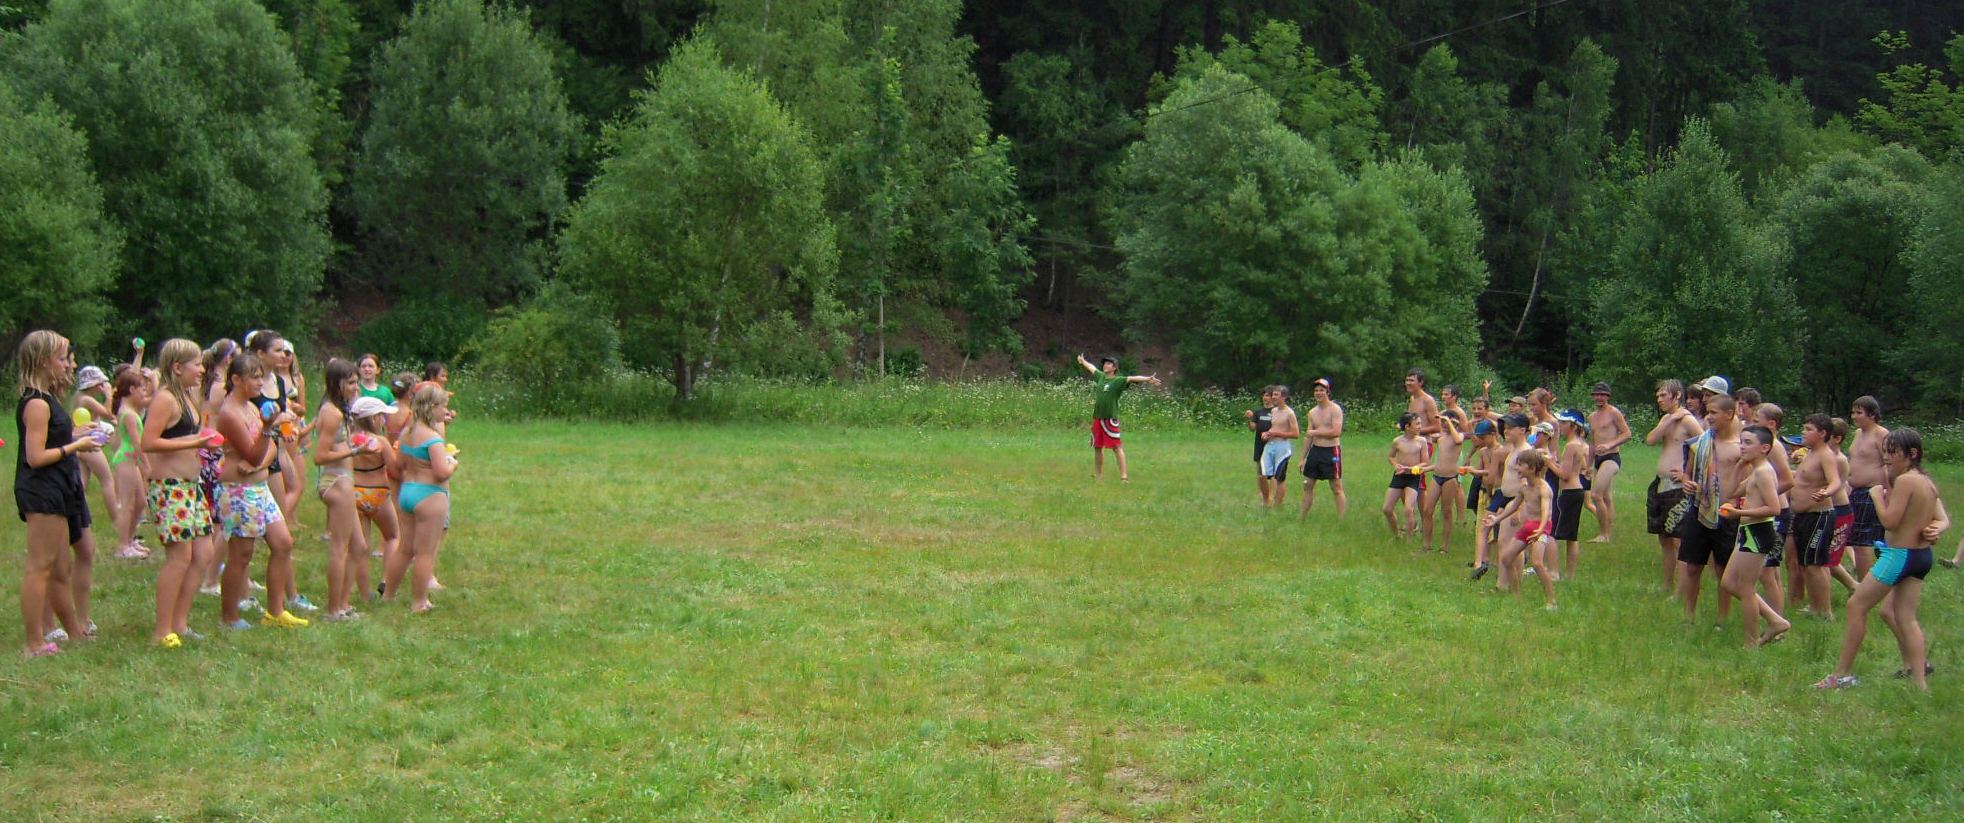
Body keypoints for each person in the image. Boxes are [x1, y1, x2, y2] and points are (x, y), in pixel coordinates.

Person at [1816, 429, 1945, 690]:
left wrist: (1876, 496)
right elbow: (1938, 516)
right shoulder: (1926, 481)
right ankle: (1920, 684)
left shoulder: (1906, 481)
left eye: (1893, 452)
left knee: (1856, 606)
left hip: (1899, 555)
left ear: (1912, 454)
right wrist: (1938, 527)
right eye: (1885, 451)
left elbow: (1890, 521)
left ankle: (1840, 675)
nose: (1886, 457)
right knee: (1905, 617)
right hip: (1920, 556)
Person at [14, 331, 99, 657]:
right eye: (62, 358)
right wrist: (76, 446)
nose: (68, 364)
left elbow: (51, 438)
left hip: (58, 488)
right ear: (43, 361)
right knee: (40, 566)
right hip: (42, 490)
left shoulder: (46, 397)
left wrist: (76, 434)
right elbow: (35, 457)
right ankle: (34, 642)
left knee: (61, 568)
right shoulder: (36, 403)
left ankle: (75, 632)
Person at [214, 352, 307, 629]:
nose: (259, 382)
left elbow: (268, 452)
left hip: (259, 487)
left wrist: (263, 455)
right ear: (236, 380)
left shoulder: (252, 409)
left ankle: (275, 612)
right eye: (253, 377)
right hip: (238, 490)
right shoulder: (229, 414)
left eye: (260, 377)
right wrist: (267, 430)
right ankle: (229, 617)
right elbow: (255, 454)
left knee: (283, 543)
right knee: (241, 554)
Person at [140, 339, 222, 647]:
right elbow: (148, 442)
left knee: (204, 554)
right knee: (179, 558)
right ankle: (162, 630)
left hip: (191, 486)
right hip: (170, 488)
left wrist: (205, 441)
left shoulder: (187, 396)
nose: (201, 370)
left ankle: (180, 623)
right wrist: (196, 443)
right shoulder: (165, 399)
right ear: (177, 367)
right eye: (196, 364)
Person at [383, 384, 458, 613]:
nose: (445, 411)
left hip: (408, 492)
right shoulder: (433, 439)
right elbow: (441, 472)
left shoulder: (407, 433)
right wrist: (452, 463)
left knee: (405, 548)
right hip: (429, 495)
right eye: (443, 406)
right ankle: (419, 602)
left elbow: (399, 464)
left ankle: (388, 595)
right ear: (431, 407)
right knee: (425, 552)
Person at [1717, 426, 1794, 647]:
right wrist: (1738, 466)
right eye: (1741, 442)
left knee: (1746, 589)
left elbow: (1774, 508)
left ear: (1765, 448)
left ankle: (1751, 643)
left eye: (1748, 443)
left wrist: (1739, 513)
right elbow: (1730, 492)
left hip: (1758, 533)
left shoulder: (1764, 473)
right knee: (1728, 583)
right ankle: (1775, 621)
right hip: (1747, 532)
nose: (1742, 446)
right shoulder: (1754, 471)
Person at [1675, 393, 1741, 623]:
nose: (1709, 417)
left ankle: (1722, 620)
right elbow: (1687, 473)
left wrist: (1737, 503)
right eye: (1707, 413)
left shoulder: (1740, 447)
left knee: (1723, 570)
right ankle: (1688, 616)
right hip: (1699, 510)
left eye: (1714, 413)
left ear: (1729, 414)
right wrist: (1687, 482)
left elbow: (1749, 481)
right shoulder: (1701, 443)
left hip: (1727, 514)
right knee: (1693, 567)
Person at [313, 359, 366, 621]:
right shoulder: (332, 413)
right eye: (352, 383)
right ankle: (333, 610)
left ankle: (343, 604)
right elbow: (320, 456)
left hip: (344, 479)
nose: (356, 388)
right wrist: (355, 451)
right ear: (337, 383)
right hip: (336, 481)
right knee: (339, 547)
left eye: (357, 382)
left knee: (359, 547)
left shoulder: (337, 409)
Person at [1645, 380, 1702, 592]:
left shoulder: (1688, 420)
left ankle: (1681, 590)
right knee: (1664, 538)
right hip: (1661, 484)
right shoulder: (1668, 419)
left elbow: (1704, 447)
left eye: (1663, 395)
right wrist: (1669, 420)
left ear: (1677, 395)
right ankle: (1667, 584)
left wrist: (1687, 473)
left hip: (1678, 487)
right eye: (1658, 396)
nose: (1659, 399)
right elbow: (1650, 440)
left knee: (1679, 540)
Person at [1788, 414, 1844, 619]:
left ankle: (1826, 612)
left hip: (1819, 516)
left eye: (1808, 429)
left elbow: (1835, 481)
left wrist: (1826, 492)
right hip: (1803, 515)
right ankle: (1814, 606)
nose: (1803, 432)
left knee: (1815, 565)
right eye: (1804, 428)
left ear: (1822, 433)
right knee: (1805, 564)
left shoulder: (1825, 454)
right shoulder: (1810, 453)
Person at [1073, 354, 1161, 482]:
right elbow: (1092, 368)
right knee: (1097, 447)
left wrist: (1148, 379)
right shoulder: (1100, 377)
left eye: (1108, 364)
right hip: (1097, 418)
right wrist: (1082, 361)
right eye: (1105, 363)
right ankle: (1098, 476)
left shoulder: (1118, 381)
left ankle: (1124, 477)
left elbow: (1132, 378)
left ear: (1114, 368)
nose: (1105, 365)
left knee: (1116, 447)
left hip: (1110, 420)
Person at [1488, 449, 1557, 609]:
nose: (1517, 468)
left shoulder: (1543, 489)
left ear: (1532, 468)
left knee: (1537, 563)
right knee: (1506, 559)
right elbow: (1513, 507)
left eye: (1520, 465)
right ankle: (1516, 596)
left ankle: (1551, 601)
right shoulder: (1524, 488)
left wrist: (1540, 530)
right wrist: (1496, 519)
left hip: (1541, 527)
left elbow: (1545, 512)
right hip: (1528, 527)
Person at [349, 396, 400, 592]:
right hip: (378, 493)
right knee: (392, 536)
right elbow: (394, 470)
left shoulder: (349, 440)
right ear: (373, 418)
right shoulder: (381, 442)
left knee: (362, 545)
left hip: (355, 493)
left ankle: (364, 591)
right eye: (382, 416)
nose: (384, 421)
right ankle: (386, 581)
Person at [108, 367, 154, 561]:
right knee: (127, 504)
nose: (144, 392)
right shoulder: (128, 414)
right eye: (141, 388)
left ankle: (130, 539)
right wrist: (146, 465)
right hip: (126, 460)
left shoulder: (130, 410)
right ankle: (122, 546)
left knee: (140, 502)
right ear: (132, 389)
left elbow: (151, 400)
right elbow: (136, 442)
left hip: (131, 460)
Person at [71, 363, 121, 536]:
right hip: (89, 444)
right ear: (92, 384)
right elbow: (108, 413)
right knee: (107, 481)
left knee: (81, 485)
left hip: (81, 443)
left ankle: (78, 519)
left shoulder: (78, 397)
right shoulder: (87, 399)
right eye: (100, 384)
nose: (102, 387)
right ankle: (117, 521)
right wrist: (109, 395)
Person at [1846, 395, 1889, 582]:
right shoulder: (1858, 433)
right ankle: (1864, 582)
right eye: (1853, 412)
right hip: (1856, 492)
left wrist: (1889, 492)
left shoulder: (1881, 434)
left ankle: (1865, 585)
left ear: (1872, 415)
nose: (1854, 416)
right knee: (1855, 540)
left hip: (1872, 492)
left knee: (1863, 542)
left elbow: (1888, 463)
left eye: (1859, 413)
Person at [1585, 382, 1630, 543]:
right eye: (1597, 394)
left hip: (1611, 458)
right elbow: (1592, 443)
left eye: (1602, 395)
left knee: (1596, 495)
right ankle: (1608, 528)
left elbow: (1627, 434)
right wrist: (1589, 465)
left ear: (1608, 397)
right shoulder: (1591, 417)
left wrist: (1610, 445)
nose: (1599, 397)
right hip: (1598, 459)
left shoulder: (1614, 413)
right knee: (1606, 497)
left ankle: (1604, 534)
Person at [1550, 411, 1591, 579]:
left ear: (1573, 426)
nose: (1560, 426)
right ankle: (1569, 575)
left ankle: (1558, 572)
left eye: (1563, 423)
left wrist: (1548, 462)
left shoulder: (1570, 446)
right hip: (1576, 491)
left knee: (1556, 533)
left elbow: (1564, 475)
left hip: (1570, 492)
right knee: (1571, 536)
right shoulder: (1580, 444)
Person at [1419, 402, 1464, 554]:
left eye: (1445, 422)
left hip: (1450, 478)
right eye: (1442, 422)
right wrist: (1425, 469)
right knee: (1427, 510)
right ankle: (1426, 545)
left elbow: (1458, 440)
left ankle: (1444, 547)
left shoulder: (1458, 436)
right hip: (1437, 477)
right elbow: (1439, 462)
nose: (1443, 425)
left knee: (1447, 511)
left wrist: (1449, 421)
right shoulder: (1441, 439)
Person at [1298, 379, 1347, 519]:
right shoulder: (1312, 412)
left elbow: (1336, 432)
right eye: (1316, 390)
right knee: (1307, 485)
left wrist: (1316, 432)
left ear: (1328, 392)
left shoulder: (1335, 409)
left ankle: (1341, 520)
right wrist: (1302, 458)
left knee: (1336, 487)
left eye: (1321, 390)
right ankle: (1301, 518)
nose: (1318, 393)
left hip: (1331, 451)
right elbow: (1308, 436)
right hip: (1315, 451)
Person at [1383, 413, 1429, 541]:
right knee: (1387, 509)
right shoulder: (1397, 441)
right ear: (1407, 427)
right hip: (1399, 476)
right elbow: (1391, 456)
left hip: (1413, 477)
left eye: (1420, 423)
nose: (1420, 426)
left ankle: (1409, 540)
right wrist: (1396, 465)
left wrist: (1412, 468)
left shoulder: (1421, 441)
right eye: (1417, 424)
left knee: (1408, 509)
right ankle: (1397, 535)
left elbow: (1425, 462)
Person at [1257, 387, 1298, 508]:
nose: (1273, 397)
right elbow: (1274, 427)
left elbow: (1295, 434)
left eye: (1276, 395)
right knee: (1262, 475)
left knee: (1279, 478)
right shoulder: (1274, 411)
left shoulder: (1289, 413)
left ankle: (1277, 506)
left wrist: (1276, 434)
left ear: (1283, 397)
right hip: (1270, 445)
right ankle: (1266, 502)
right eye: (1273, 395)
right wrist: (1267, 434)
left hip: (1282, 448)